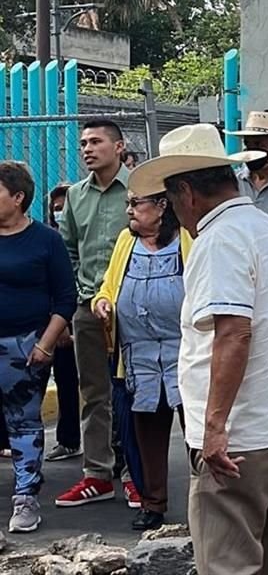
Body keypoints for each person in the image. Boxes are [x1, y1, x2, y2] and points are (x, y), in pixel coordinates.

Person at [129, 123, 268, 574]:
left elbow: (234, 333)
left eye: (171, 201)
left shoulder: (220, 239)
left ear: (186, 195)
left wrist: (214, 427)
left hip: (242, 438)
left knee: (227, 564)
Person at [92, 190, 192, 531]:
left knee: (196, 433)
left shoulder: (187, 239)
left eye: (136, 204)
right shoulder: (125, 240)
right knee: (146, 433)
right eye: (128, 204)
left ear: (162, 206)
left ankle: (207, 503)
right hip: (139, 357)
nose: (129, 210)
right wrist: (102, 303)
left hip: (185, 353)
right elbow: (108, 286)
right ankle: (153, 504)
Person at [56, 119, 140, 508]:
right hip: (88, 306)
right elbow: (69, 248)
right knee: (93, 393)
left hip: (134, 308)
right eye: (84, 143)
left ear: (119, 147)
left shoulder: (140, 191)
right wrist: (79, 296)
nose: (88, 148)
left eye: (96, 141)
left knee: (136, 392)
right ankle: (97, 474)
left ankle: (136, 474)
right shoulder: (75, 195)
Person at [0, 162, 76, 534]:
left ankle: (26, 497)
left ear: (18, 198)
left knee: (24, 423)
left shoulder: (46, 240)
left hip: (25, 344)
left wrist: (46, 344)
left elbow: (65, 298)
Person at [45, 183, 82, 462]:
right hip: (51, 323)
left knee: (79, 384)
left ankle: (72, 440)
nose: (60, 214)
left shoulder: (76, 242)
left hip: (75, 317)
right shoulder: (47, 240)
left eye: (64, 209)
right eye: (56, 209)